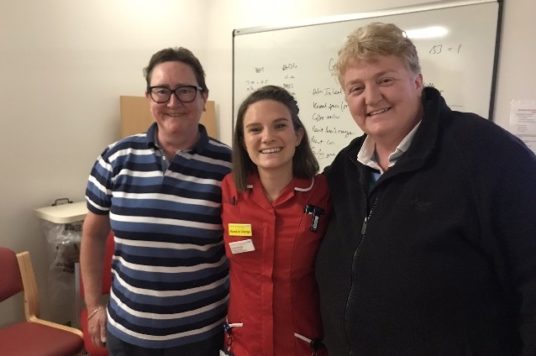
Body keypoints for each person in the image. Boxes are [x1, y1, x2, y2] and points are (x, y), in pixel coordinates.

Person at [315, 22, 536, 356]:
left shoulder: (484, 152)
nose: (371, 98)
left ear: (417, 82)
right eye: (356, 88)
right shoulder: (346, 167)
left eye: (385, 80)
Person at [80, 47, 232, 356]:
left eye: (186, 91)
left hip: (200, 336)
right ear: (149, 98)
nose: (173, 102)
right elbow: (93, 235)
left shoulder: (230, 167)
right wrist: (94, 304)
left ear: (204, 97)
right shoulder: (115, 159)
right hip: (127, 334)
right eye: (162, 91)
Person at [220, 85, 330, 356]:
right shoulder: (228, 191)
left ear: (298, 135)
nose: (267, 137)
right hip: (242, 345)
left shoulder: (323, 192)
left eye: (279, 125)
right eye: (255, 129)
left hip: (301, 345)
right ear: (243, 141)